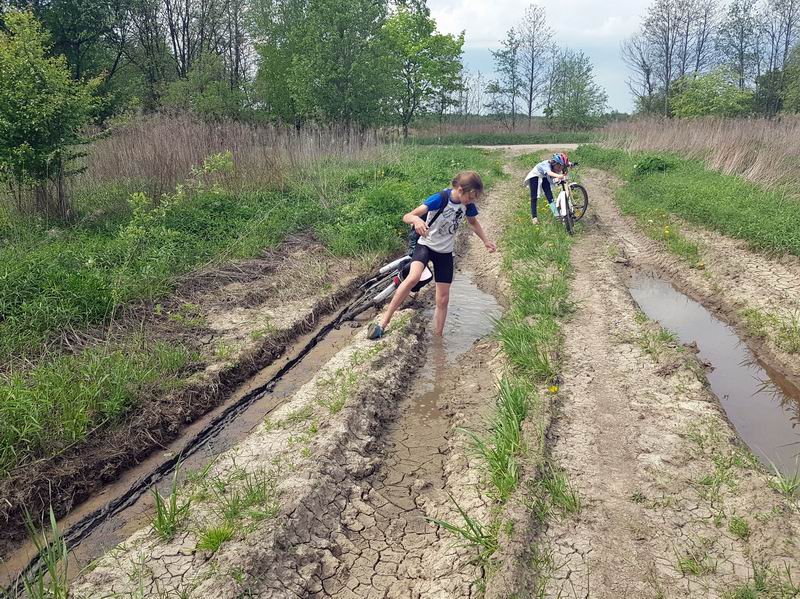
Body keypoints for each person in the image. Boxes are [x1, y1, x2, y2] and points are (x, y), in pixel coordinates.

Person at [367, 171, 496, 340]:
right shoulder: (440, 199)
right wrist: (417, 220)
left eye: (475, 198)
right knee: (413, 278)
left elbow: (473, 223)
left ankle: (438, 338)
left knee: (443, 299)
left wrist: (485, 241)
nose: (473, 201)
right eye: (471, 196)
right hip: (425, 246)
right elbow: (407, 216)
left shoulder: (468, 206)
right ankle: (383, 323)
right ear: (459, 189)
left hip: (445, 253)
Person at [523, 152, 569, 225]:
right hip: (535, 175)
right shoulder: (546, 165)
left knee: (549, 195)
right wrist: (559, 176)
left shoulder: (559, 164)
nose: (560, 169)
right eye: (558, 166)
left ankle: (557, 216)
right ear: (554, 163)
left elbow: (565, 164)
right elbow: (550, 173)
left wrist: (570, 164)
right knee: (534, 197)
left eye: (561, 167)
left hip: (544, 176)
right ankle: (534, 217)